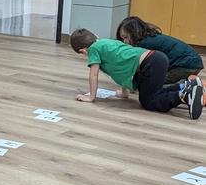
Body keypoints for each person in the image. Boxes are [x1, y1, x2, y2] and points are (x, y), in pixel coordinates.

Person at [69, 27, 203, 119]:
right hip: (156, 58)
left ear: (83, 51)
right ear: (96, 36)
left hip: (149, 64)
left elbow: (93, 74)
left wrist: (91, 97)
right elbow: (122, 66)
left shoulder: (93, 50)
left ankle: (184, 95)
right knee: (154, 92)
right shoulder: (108, 43)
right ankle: (186, 86)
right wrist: (125, 93)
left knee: (149, 102)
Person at [116, 15, 203, 84]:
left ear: (134, 33)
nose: (125, 42)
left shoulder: (144, 44)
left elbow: (138, 66)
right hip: (191, 62)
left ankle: (190, 87)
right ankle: (188, 82)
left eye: (126, 37)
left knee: (153, 86)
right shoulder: (151, 37)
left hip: (185, 65)